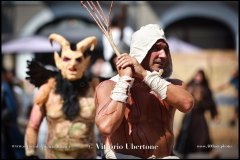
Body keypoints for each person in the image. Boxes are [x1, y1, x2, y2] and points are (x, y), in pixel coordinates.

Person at [94, 24, 194, 159]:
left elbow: (187, 104)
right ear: (142, 49)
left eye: (166, 49)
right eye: (157, 48)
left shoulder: (172, 86)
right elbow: (106, 126)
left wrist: (145, 75)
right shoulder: (108, 86)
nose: (163, 55)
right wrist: (124, 81)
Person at [24, 33, 98, 159]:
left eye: (78, 59)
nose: (73, 64)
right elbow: (33, 126)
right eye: (67, 59)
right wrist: (30, 154)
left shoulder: (95, 90)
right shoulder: (47, 91)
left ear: (85, 63)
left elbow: (107, 129)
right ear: (58, 61)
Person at [174, 69, 219, 158]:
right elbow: (182, 97)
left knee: (204, 134)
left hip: (199, 116)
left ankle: (211, 152)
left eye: (200, 76)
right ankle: (183, 153)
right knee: (185, 133)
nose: (198, 77)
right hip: (189, 115)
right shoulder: (189, 86)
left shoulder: (206, 89)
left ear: (202, 77)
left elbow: (211, 103)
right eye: (197, 75)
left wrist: (215, 114)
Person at [1, 67, 25, 159]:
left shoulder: (6, 86)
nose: (9, 75)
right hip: (8, 125)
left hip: (10, 125)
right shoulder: (5, 87)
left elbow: (12, 108)